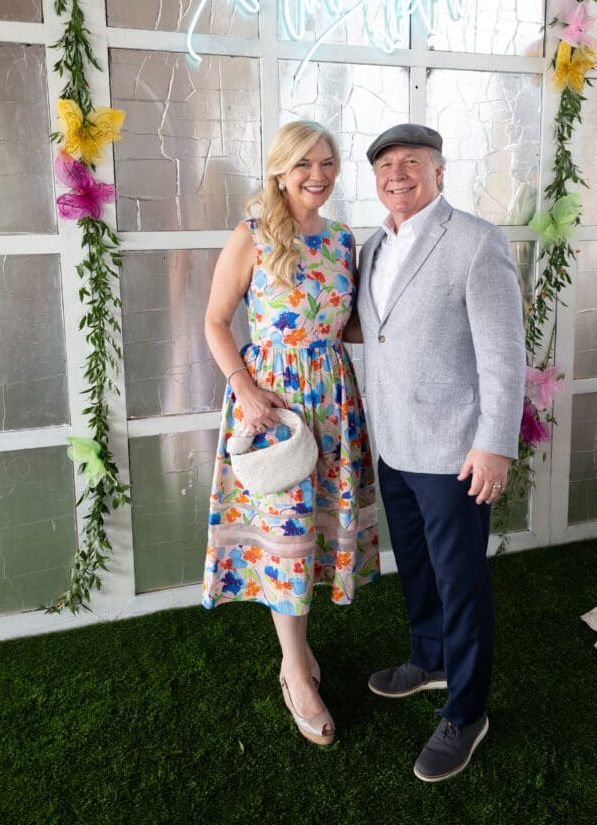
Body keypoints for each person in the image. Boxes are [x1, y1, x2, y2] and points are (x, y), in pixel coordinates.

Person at [202, 120, 379, 746]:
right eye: (304, 164)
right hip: (273, 405)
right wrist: (245, 390)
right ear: (280, 170)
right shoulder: (252, 233)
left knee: (313, 528)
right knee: (286, 537)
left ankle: (297, 657)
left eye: (328, 163)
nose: (318, 175)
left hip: (331, 399)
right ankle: (295, 669)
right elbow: (216, 320)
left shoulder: (342, 240)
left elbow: (350, 324)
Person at [357, 123, 525, 781]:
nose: (396, 175)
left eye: (410, 163)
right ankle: (428, 659)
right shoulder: (373, 245)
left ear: (438, 172)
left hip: (457, 451)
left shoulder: (476, 242)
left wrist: (493, 445)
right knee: (419, 569)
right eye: (384, 166)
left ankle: (466, 711)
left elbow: (504, 356)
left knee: (461, 583)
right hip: (394, 445)